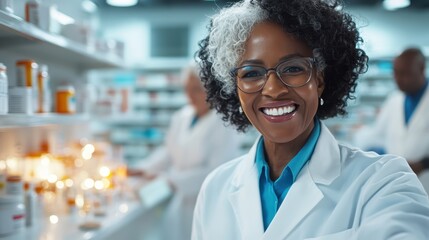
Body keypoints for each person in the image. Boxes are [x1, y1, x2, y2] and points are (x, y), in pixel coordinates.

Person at [191, 0, 429, 239]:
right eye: (252, 73)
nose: (273, 90)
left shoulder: (384, 182)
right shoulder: (215, 188)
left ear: (320, 80)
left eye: (293, 69)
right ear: (236, 89)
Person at [127, 64, 244, 240]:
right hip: (178, 201)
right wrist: (143, 169)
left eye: (196, 89)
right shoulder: (182, 116)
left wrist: (172, 180)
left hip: (207, 203)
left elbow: (219, 172)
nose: (189, 95)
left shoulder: (224, 123)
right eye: (187, 89)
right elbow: (168, 152)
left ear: (210, 89)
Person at [355, 48, 429, 193]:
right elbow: (377, 135)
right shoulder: (393, 100)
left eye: (405, 73)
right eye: (395, 72)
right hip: (397, 184)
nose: (398, 78)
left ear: (421, 69)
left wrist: (422, 164)